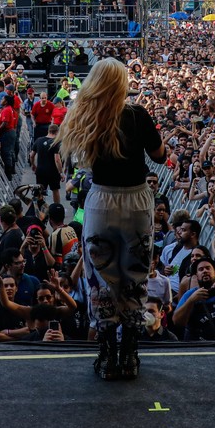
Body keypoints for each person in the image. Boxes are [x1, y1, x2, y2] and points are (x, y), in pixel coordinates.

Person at [56, 57, 167, 379]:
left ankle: (106, 352)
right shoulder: (137, 115)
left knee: (101, 277)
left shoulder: (84, 116)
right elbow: (159, 155)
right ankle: (130, 353)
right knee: (134, 274)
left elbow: (78, 159)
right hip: (136, 199)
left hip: (101, 200)